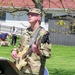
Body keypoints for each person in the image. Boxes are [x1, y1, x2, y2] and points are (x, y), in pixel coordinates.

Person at [11, 8, 51, 75]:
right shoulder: (26, 31)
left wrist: (38, 51)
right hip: (21, 69)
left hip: (34, 70)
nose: (29, 16)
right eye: (29, 14)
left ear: (39, 17)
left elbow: (48, 54)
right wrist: (14, 50)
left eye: (33, 14)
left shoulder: (43, 33)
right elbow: (20, 46)